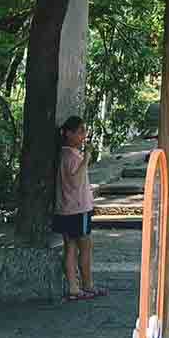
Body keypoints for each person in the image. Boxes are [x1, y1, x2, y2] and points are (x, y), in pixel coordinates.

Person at [54, 115, 102, 301]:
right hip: (78, 208)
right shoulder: (72, 156)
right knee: (85, 246)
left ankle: (74, 287)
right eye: (80, 131)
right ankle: (87, 284)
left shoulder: (65, 154)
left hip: (66, 208)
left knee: (70, 248)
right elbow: (75, 180)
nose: (84, 135)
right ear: (69, 134)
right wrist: (87, 158)